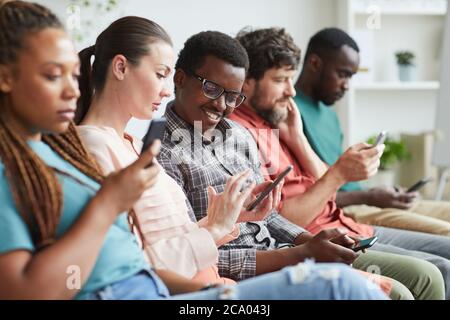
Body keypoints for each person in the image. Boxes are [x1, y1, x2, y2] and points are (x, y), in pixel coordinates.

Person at [57, 12, 384, 299]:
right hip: (202, 283)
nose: (166, 88)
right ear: (120, 67)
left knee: (362, 284)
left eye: (233, 97)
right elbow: (136, 263)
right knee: (344, 286)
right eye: (160, 74)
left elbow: (173, 240)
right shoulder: (108, 148)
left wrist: (229, 219)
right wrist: (221, 245)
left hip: (210, 278)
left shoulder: (130, 145)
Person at [156, 30, 441, 299]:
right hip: (257, 269)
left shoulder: (238, 136)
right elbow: (196, 253)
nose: (221, 106)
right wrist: (301, 253)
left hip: (288, 249)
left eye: (232, 97)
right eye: (211, 89)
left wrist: (309, 240)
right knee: (406, 288)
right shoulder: (162, 154)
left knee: (424, 275)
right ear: (179, 79)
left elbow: (268, 216)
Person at [295, 27, 450, 237]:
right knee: (446, 232)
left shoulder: (329, 115)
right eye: (342, 74)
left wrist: (382, 195)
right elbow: (304, 196)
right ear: (315, 64)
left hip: (367, 200)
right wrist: (369, 197)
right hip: (348, 209)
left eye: (351, 77)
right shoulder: (291, 115)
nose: (347, 85)